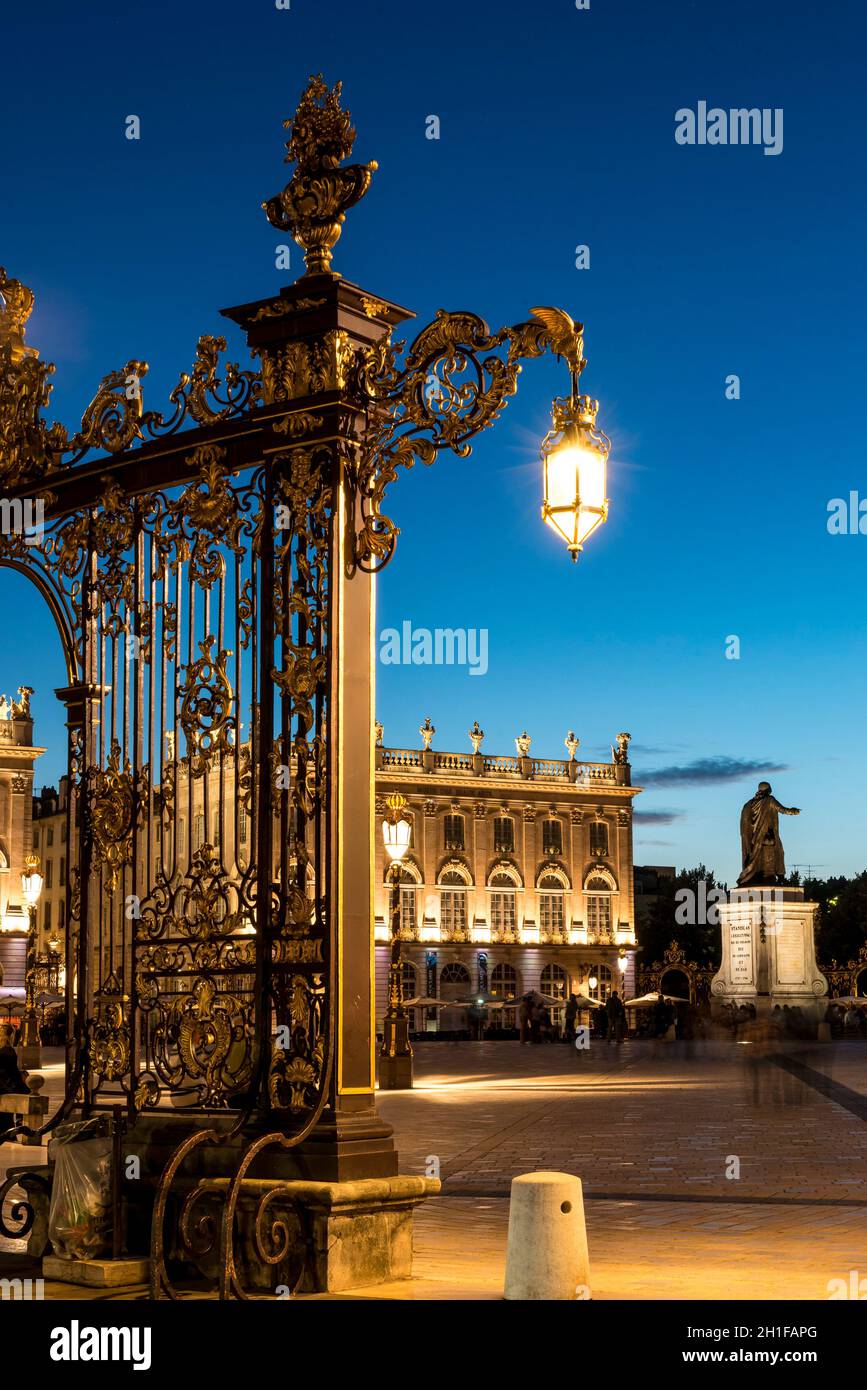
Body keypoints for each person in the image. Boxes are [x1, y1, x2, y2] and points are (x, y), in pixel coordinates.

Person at [0, 1024, 29, 1142]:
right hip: (6, 1085)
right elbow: (12, 1071)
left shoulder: (4, 1050)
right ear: (11, 1036)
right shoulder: (8, 1050)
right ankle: (12, 1130)